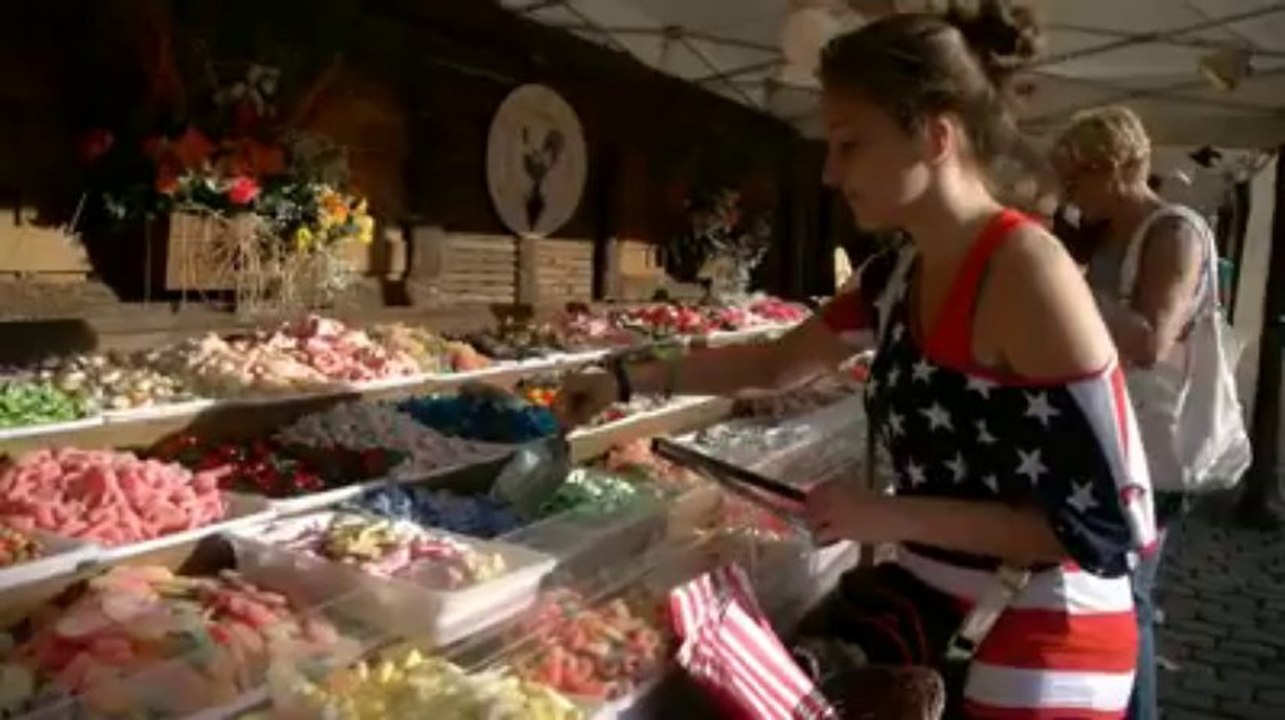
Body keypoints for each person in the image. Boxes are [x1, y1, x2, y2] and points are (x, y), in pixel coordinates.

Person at [556, 2, 1155, 716]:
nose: (829, 176)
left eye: (849, 144)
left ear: (934, 136)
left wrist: (887, 515)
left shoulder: (1025, 270)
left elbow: (1100, 529)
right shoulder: (897, 272)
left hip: (1046, 636)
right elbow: (775, 364)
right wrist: (625, 379)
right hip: (943, 611)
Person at [1051, 106, 1209, 720]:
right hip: (1116, 435)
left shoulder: (1174, 231)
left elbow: (1148, 342)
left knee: (1130, 598)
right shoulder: (1114, 232)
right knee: (1116, 591)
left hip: (1153, 448)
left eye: (1077, 181)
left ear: (1115, 169)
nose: (1071, 197)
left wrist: (1062, 280)